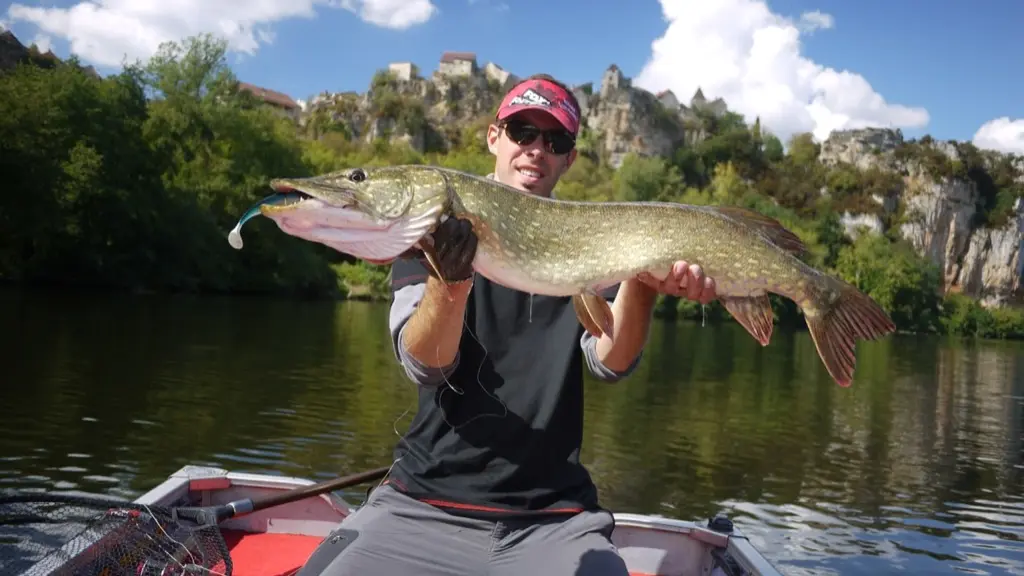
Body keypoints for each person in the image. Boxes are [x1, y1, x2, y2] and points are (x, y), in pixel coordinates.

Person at [298, 74, 717, 576]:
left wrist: (645, 282)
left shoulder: (593, 241)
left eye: (554, 140)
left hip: (555, 519)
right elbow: (425, 365)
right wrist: (449, 279)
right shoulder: (427, 232)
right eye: (522, 132)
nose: (536, 149)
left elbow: (613, 363)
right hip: (421, 503)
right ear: (494, 137)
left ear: (569, 158)